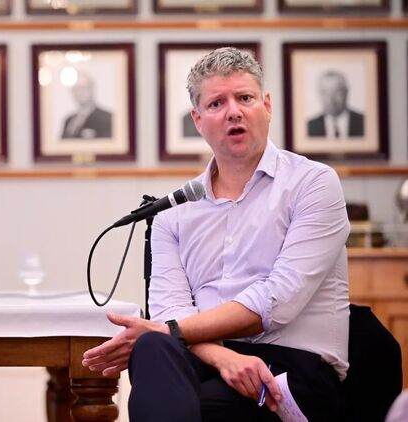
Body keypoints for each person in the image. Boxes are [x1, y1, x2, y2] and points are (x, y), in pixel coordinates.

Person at [82, 47, 349, 421]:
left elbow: (277, 300)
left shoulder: (313, 183)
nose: (233, 112)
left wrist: (168, 331)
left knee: (170, 381)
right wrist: (221, 356)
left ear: (267, 106)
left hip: (293, 367)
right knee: (153, 348)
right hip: (203, 355)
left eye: (245, 98)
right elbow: (171, 312)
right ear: (197, 119)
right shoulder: (173, 212)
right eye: (216, 103)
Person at [307, 70, 364, 138]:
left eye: (336, 91)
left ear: (346, 92)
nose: (331, 98)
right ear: (319, 94)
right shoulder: (309, 127)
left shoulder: (364, 123)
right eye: (325, 92)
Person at [60, 71, 112, 139]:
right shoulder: (68, 120)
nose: (79, 92)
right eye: (75, 88)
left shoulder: (107, 118)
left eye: (83, 88)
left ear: (91, 89)